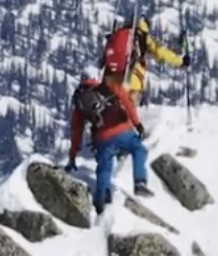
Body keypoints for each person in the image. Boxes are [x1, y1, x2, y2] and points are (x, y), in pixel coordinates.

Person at [65, 66, 152, 211]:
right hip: (122, 130)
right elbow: (127, 102)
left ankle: (102, 200)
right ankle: (139, 182)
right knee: (139, 149)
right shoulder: (109, 86)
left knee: (104, 167)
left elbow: (76, 132)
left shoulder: (80, 101)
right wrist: (137, 124)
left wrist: (72, 156)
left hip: (102, 138)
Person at [104, 17, 190, 102]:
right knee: (128, 111)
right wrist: (180, 61)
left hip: (111, 78)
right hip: (133, 79)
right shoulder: (142, 36)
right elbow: (160, 52)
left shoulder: (118, 35)